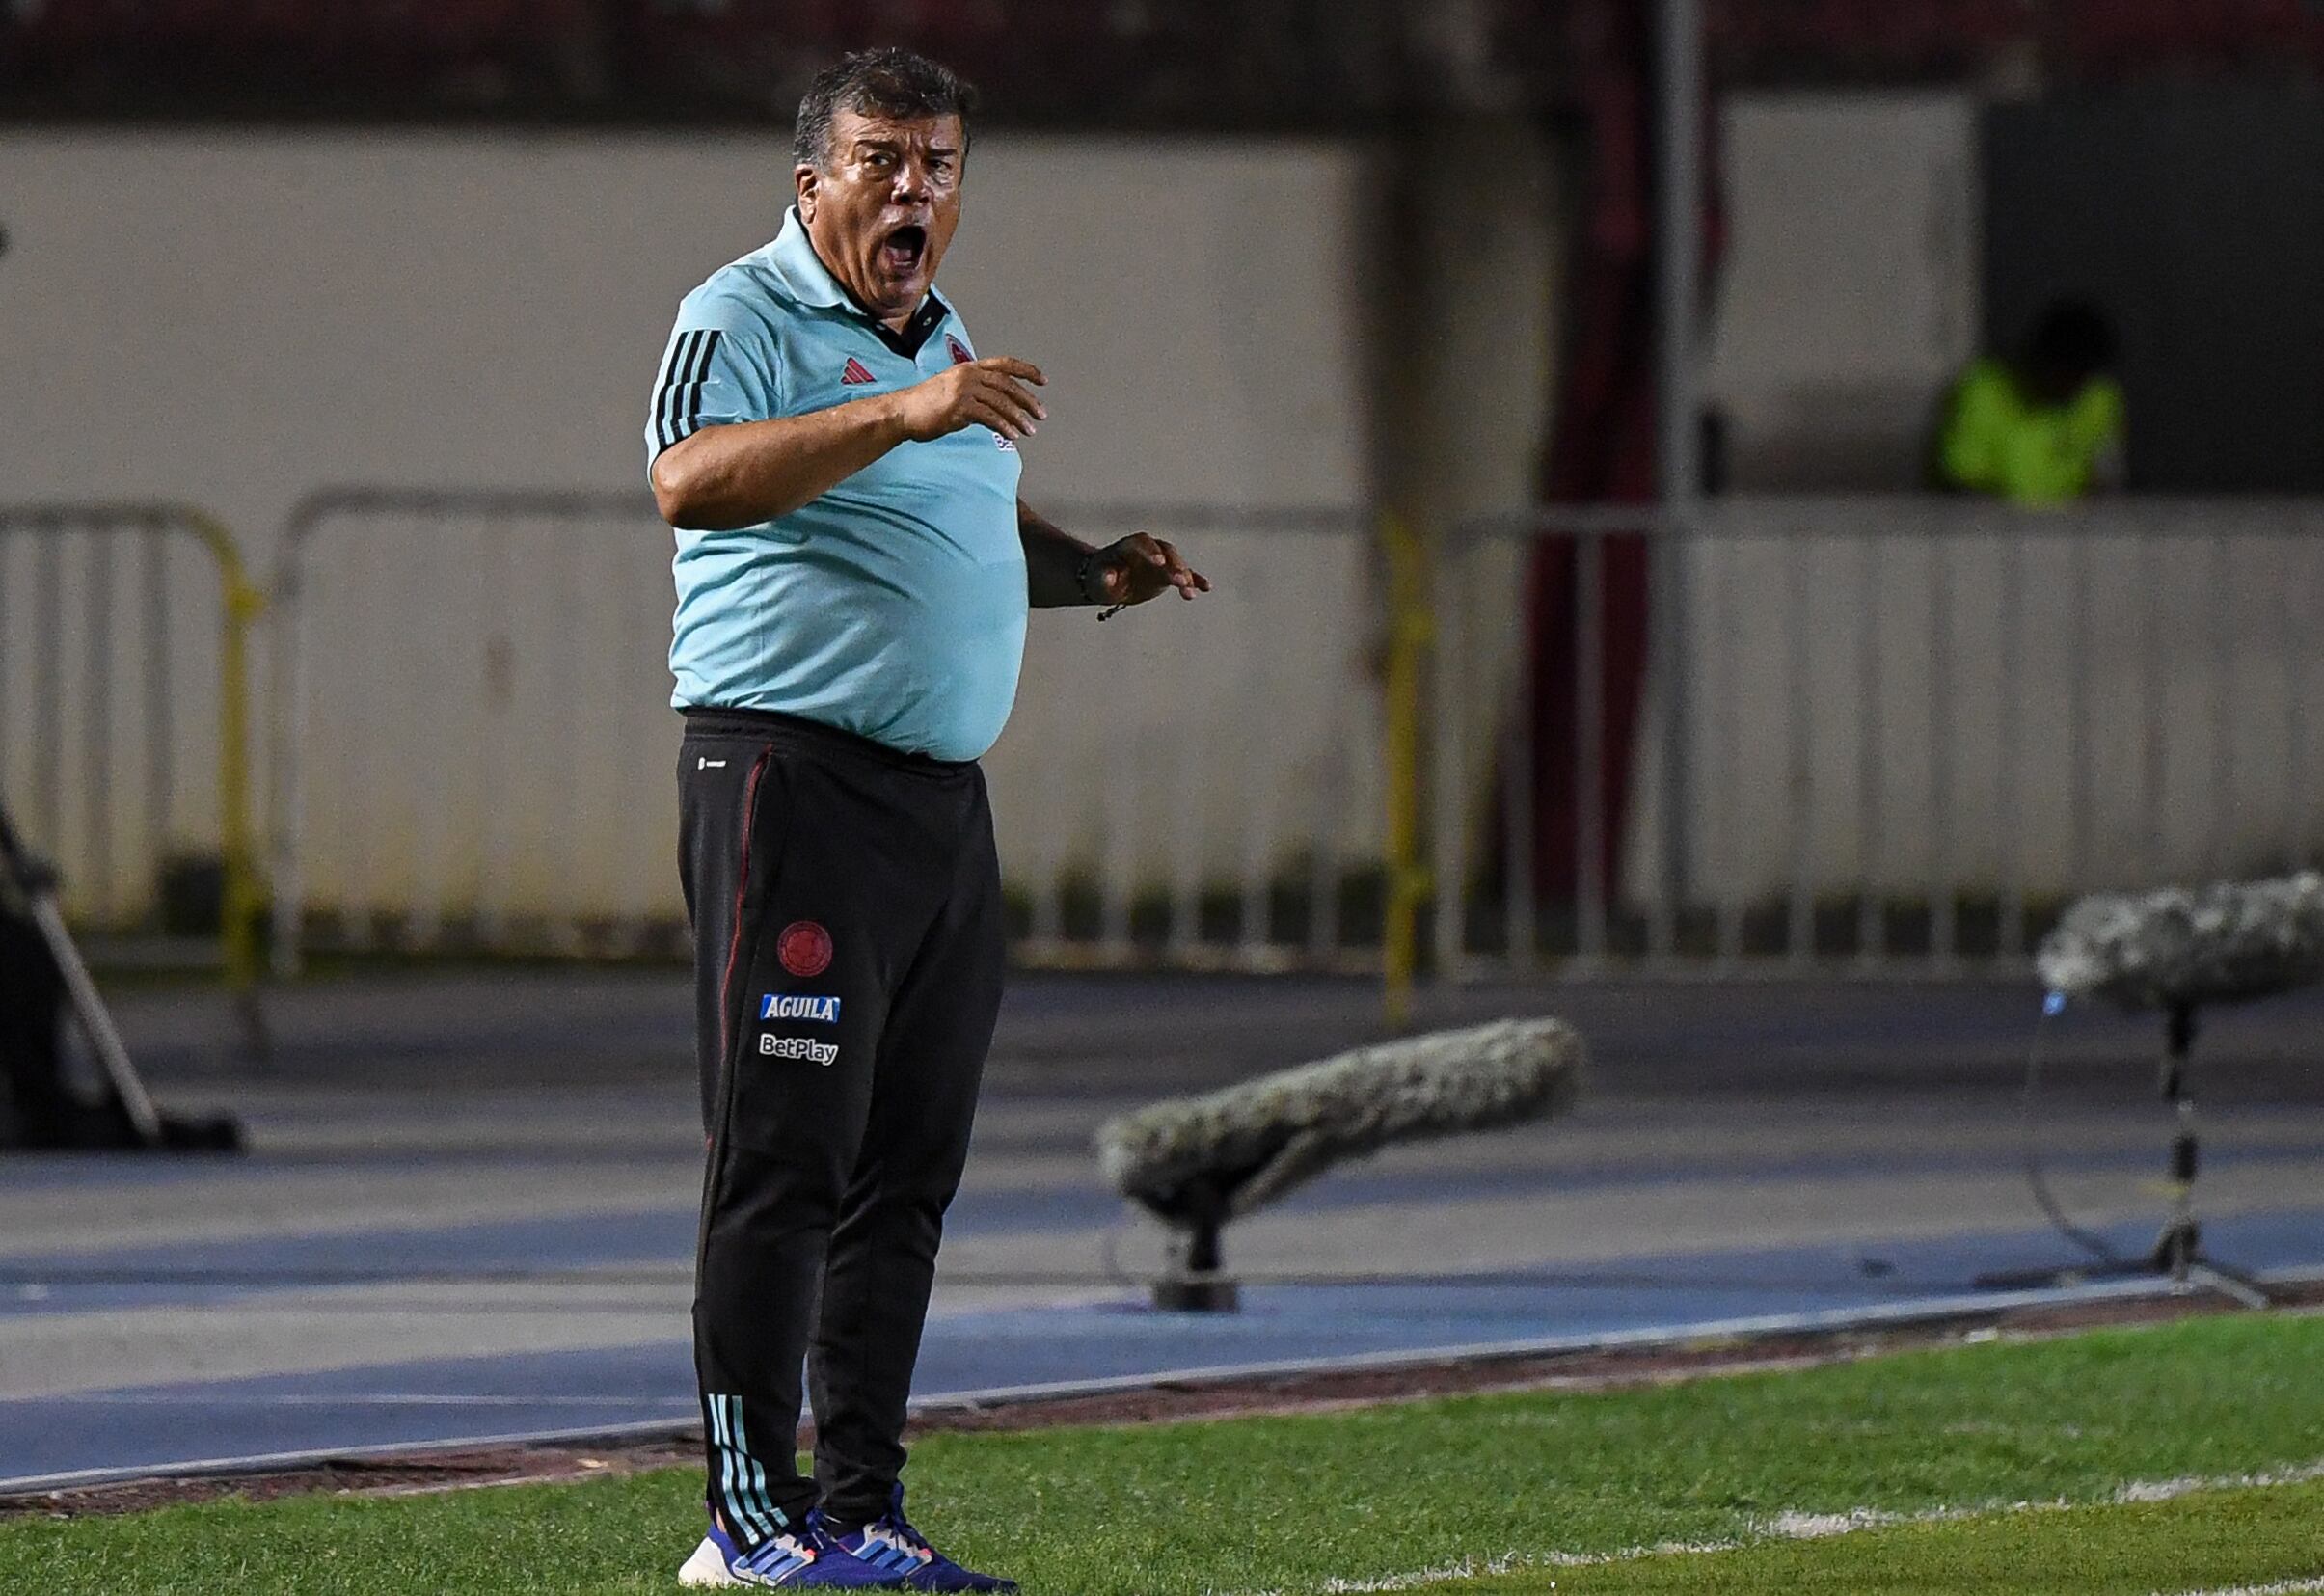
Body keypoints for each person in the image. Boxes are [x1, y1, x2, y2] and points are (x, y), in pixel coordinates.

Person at [645, 47, 1208, 1592]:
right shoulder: (739, 317)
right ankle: (744, 1527)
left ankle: (857, 1510)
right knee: (781, 1158)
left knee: (906, 1168)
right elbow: (688, 479)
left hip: (935, 808)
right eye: (883, 159)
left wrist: (1088, 566)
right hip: (790, 781)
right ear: (811, 176)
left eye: (940, 164)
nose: (914, 191)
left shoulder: (932, 337)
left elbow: (955, 515)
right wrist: (907, 411)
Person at [1933, 299, 2126, 505]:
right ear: (2041, 361)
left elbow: (2106, 481)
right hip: (1992, 529)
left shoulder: (2099, 399)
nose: (2072, 388)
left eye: (2081, 378)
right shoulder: (1984, 390)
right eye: (2065, 375)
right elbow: (1961, 482)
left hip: (2072, 530)